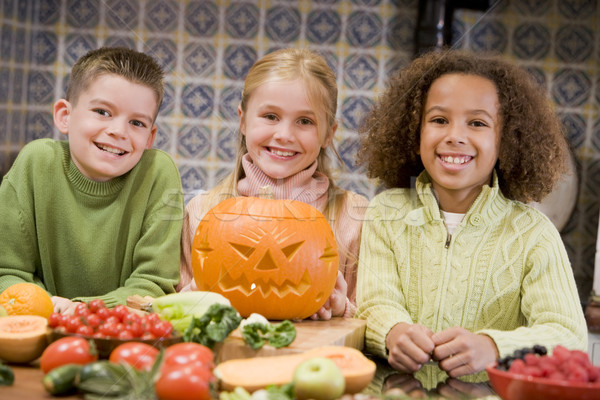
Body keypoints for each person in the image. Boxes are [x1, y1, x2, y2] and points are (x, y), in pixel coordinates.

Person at [355, 49, 587, 378]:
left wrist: (493, 347)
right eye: (439, 120)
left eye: (477, 123)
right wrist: (392, 331)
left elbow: (569, 337)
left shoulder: (534, 234)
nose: (455, 136)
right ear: (415, 131)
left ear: (505, 140)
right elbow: (375, 302)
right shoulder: (385, 213)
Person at [179, 48, 368, 319]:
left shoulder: (355, 217)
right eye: (270, 116)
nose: (284, 135)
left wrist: (342, 309)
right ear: (243, 120)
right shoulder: (202, 211)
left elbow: (372, 319)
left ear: (329, 133)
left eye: (305, 121)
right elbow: (172, 312)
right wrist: (196, 294)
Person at [0, 47, 184, 314]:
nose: (118, 131)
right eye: (102, 112)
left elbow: (152, 285)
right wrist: (49, 309)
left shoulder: (158, 173)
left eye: (137, 123)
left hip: (120, 334)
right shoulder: (36, 162)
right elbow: (7, 272)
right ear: (65, 116)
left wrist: (80, 310)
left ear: (150, 138)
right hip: (36, 324)